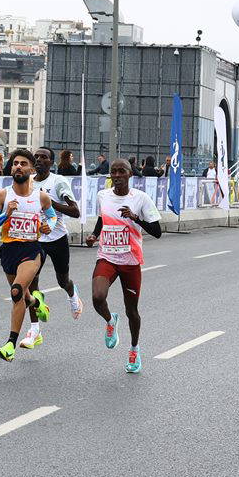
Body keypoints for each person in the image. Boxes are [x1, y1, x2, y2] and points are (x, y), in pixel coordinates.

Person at [84, 158, 163, 374]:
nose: (117, 175)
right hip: (107, 256)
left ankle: (134, 349)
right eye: (113, 172)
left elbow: (157, 232)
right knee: (98, 297)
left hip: (130, 261)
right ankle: (110, 321)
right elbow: (102, 220)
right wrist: (94, 235)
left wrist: (135, 217)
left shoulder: (141, 198)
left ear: (130, 174)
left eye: (121, 172)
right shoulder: (103, 196)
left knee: (132, 311)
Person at [0, 149, 58, 362]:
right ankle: (36, 302)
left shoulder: (40, 197)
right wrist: (6, 215)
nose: (18, 166)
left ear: (31, 169)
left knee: (16, 292)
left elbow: (52, 218)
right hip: (8, 251)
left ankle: (10, 345)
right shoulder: (3, 195)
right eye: (15, 163)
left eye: (23, 163)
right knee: (22, 294)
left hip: (31, 250)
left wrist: (47, 227)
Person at [21, 147, 83, 350]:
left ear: (51, 162)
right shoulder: (28, 182)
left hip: (57, 238)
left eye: (44, 157)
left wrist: (49, 204)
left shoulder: (58, 182)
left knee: (62, 280)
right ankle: (34, 330)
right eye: (36, 157)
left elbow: (75, 211)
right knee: (30, 284)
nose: (39, 160)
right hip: (35, 239)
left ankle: (72, 295)